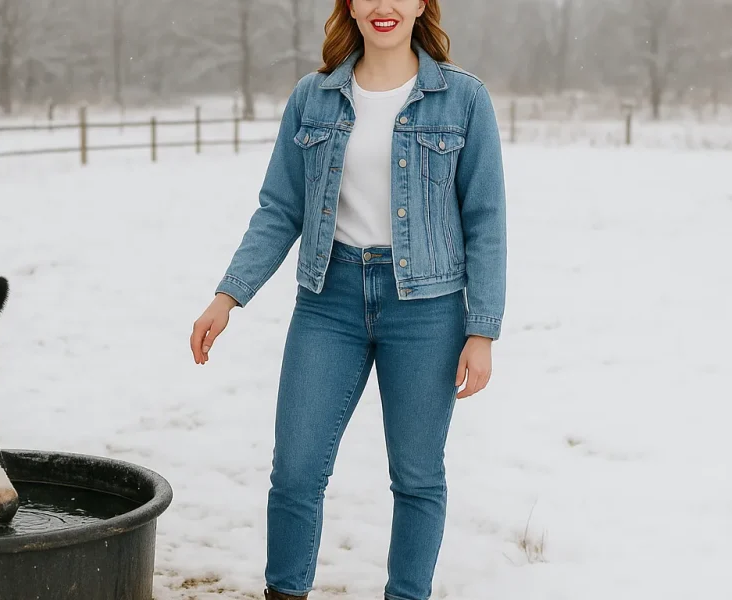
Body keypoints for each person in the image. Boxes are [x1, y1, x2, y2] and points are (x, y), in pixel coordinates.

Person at [189, 1, 507, 599]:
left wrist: (482, 329)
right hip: (326, 302)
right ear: (351, 7)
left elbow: (485, 219)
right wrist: (228, 296)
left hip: (427, 308)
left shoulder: (464, 99)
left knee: (416, 478)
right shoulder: (313, 97)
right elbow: (280, 208)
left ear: (421, 5)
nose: (383, 6)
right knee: (295, 473)